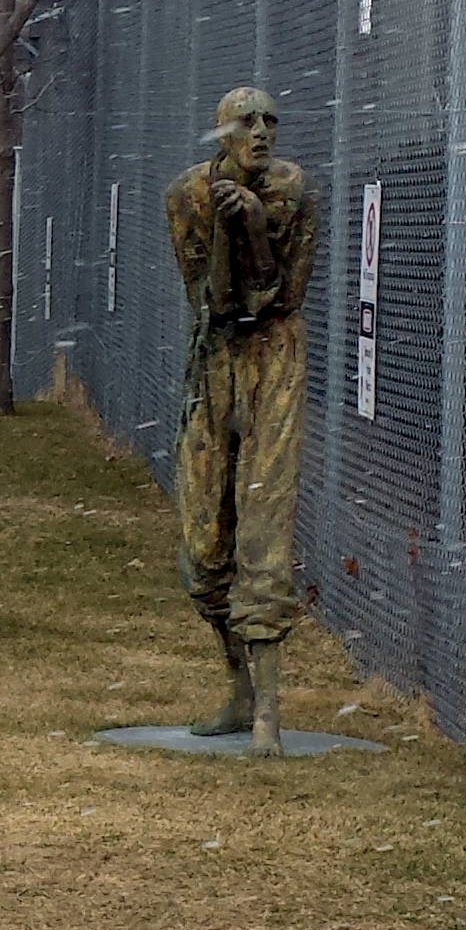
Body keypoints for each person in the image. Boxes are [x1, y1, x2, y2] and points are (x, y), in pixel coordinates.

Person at [165, 86, 317, 755]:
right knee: (203, 545)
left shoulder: (293, 192)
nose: (261, 133)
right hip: (214, 361)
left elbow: (282, 294)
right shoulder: (187, 197)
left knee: (264, 526)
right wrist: (229, 229)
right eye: (246, 122)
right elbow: (208, 299)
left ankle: (269, 713)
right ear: (219, 134)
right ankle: (238, 686)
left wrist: (257, 227)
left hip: (273, 357)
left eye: (269, 121)